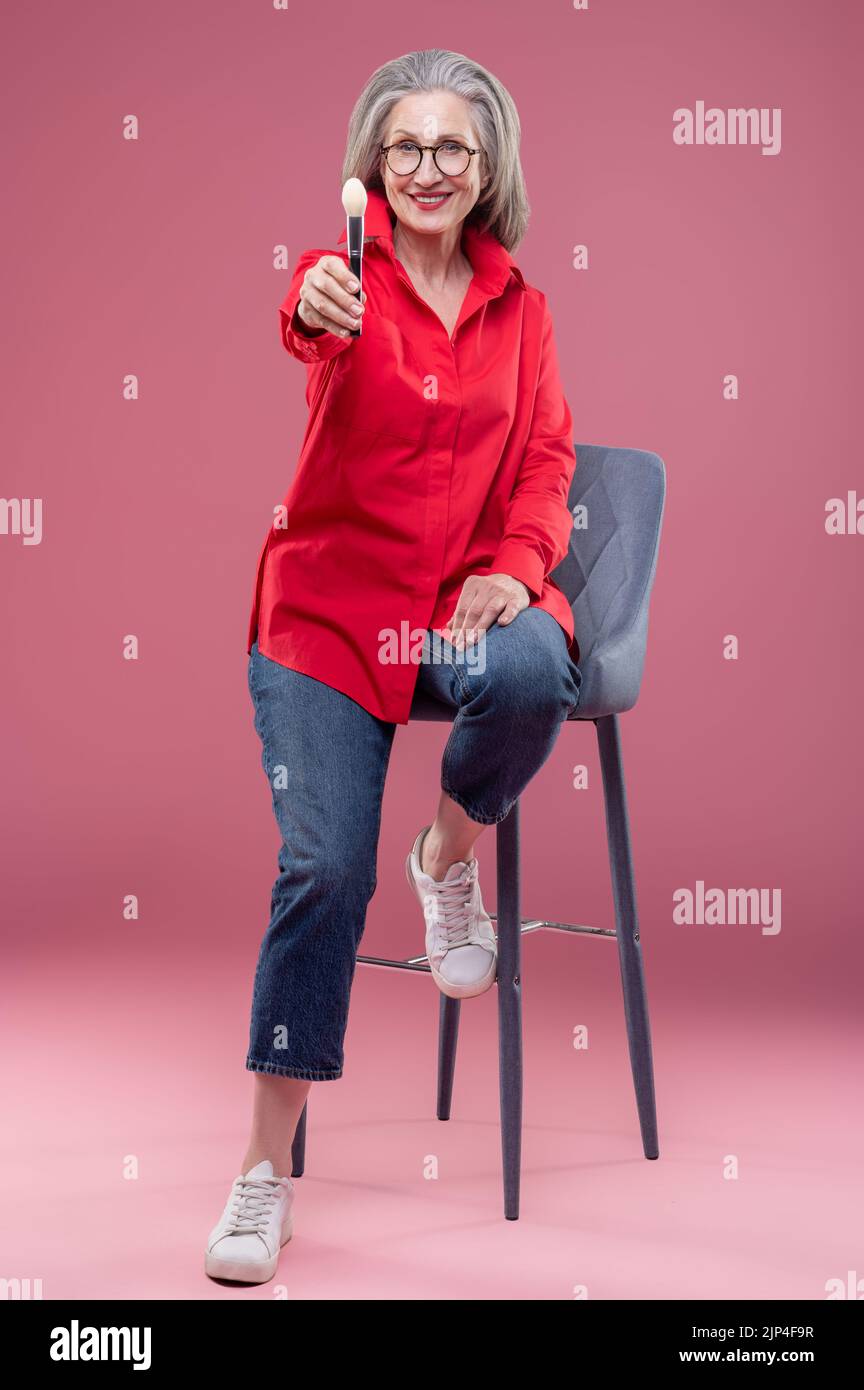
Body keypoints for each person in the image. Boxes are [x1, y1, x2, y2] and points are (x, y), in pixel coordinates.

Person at [205, 47, 583, 1284]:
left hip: (461, 604)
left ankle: (447, 857)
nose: (427, 168)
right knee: (320, 866)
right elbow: (309, 324)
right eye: (403, 147)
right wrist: (311, 298)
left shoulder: (522, 312)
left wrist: (516, 569)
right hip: (325, 614)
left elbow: (544, 468)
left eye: (452, 149)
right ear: (371, 167)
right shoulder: (341, 283)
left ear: (489, 171)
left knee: (536, 671)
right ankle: (263, 1176)